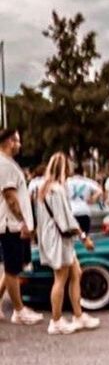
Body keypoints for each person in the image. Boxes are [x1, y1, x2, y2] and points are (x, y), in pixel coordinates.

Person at [36, 152, 100, 335]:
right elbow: (66, 219)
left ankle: (78, 315)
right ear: (64, 169)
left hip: (54, 237)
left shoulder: (45, 188)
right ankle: (56, 321)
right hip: (60, 240)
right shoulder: (56, 190)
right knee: (61, 278)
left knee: (75, 273)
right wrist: (83, 237)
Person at [0, 128, 43, 325]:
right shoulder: (5, 165)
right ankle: (18, 310)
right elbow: (10, 197)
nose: (20, 144)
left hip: (14, 224)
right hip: (11, 225)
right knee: (12, 269)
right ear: (9, 142)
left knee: (13, 267)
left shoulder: (8, 164)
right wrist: (23, 221)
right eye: (17, 141)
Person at [66, 166, 103, 236]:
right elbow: (100, 191)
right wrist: (93, 198)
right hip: (84, 211)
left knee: (72, 235)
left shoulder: (68, 181)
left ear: (73, 173)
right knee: (84, 235)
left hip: (72, 212)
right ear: (83, 173)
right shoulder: (87, 181)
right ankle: (83, 240)